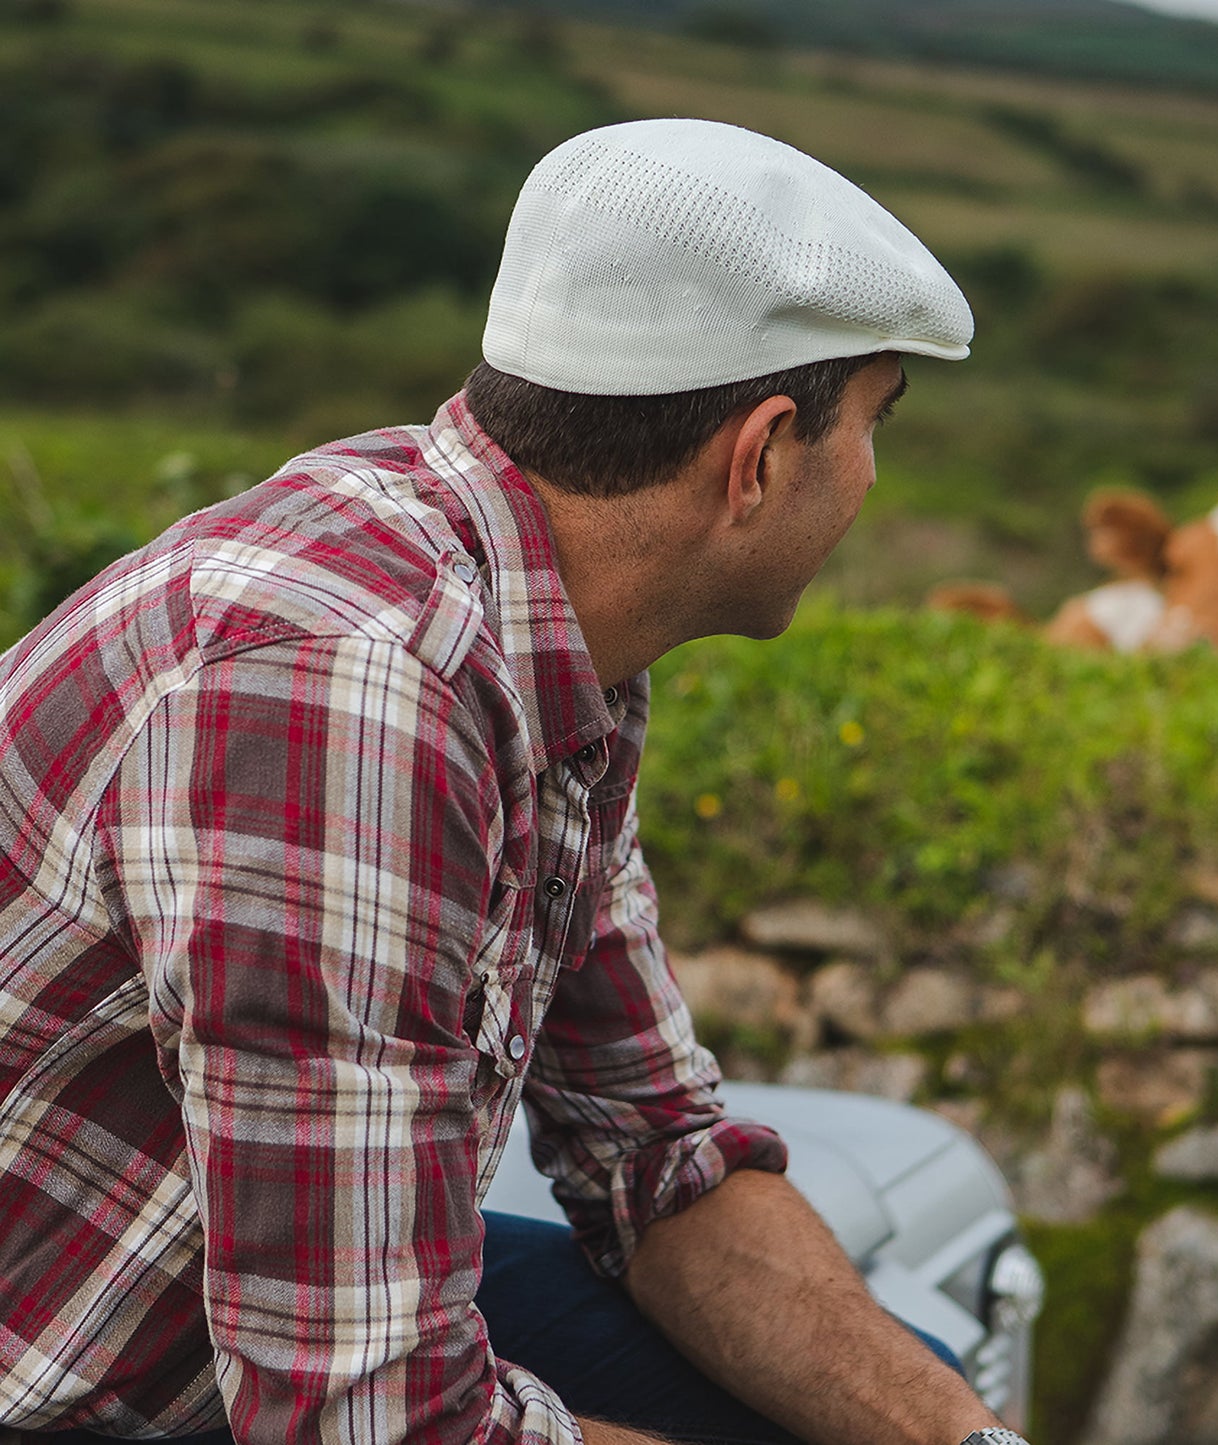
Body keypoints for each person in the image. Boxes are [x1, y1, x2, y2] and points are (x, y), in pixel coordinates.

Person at [0, 119, 1024, 1445]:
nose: (873, 475)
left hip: (220, 1310)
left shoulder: (544, 631)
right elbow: (370, 1426)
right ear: (761, 453)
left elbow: (652, 1152)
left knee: (900, 1389)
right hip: (73, 1374)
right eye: (875, 424)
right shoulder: (343, 687)